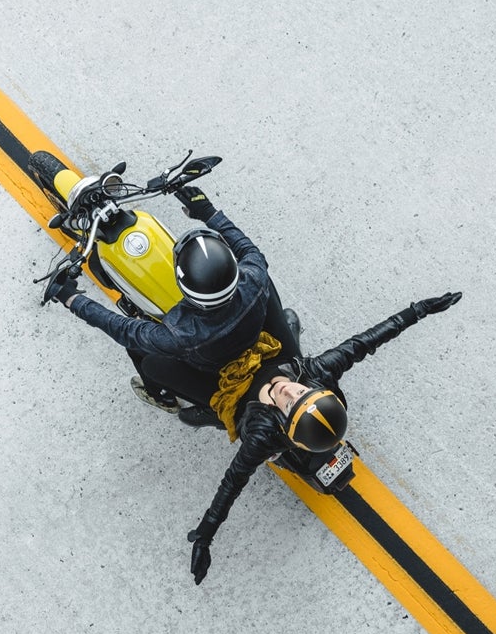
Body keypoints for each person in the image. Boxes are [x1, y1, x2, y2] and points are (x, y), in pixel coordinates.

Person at [184, 291, 463, 585]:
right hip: (286, 372)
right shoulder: (317, 371)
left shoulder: (261, 435)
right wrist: (418, 310)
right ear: (315, 390)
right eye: (301, 392)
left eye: (290, 402)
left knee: (197, 393)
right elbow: (366, 342)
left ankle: (216, 415)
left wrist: (205, 535)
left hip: (243, 401)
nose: (289, 390)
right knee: (267, 299)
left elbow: (232, 483)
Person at [47, 185, 292, 421]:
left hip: (221, 369)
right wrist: (207, 211)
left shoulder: (182, 335)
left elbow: (125, 331)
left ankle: (164, 397)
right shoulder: (254, 277)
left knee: (147, 360)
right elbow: (247, 248)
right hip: (254, 334)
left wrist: (72, 299)